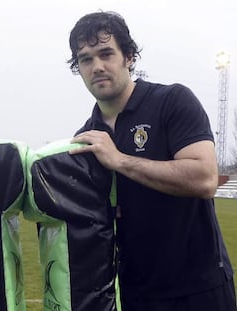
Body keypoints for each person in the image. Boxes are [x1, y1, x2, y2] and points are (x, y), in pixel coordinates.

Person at [67, 11, 237, 311]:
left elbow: (205, 178)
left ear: (129, 57)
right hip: (135, 293)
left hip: (198, 289)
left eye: (106, 53)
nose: (97, 67)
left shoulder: (173, 101)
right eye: (86, 59)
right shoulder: (87, 136)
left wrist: (120, 160)